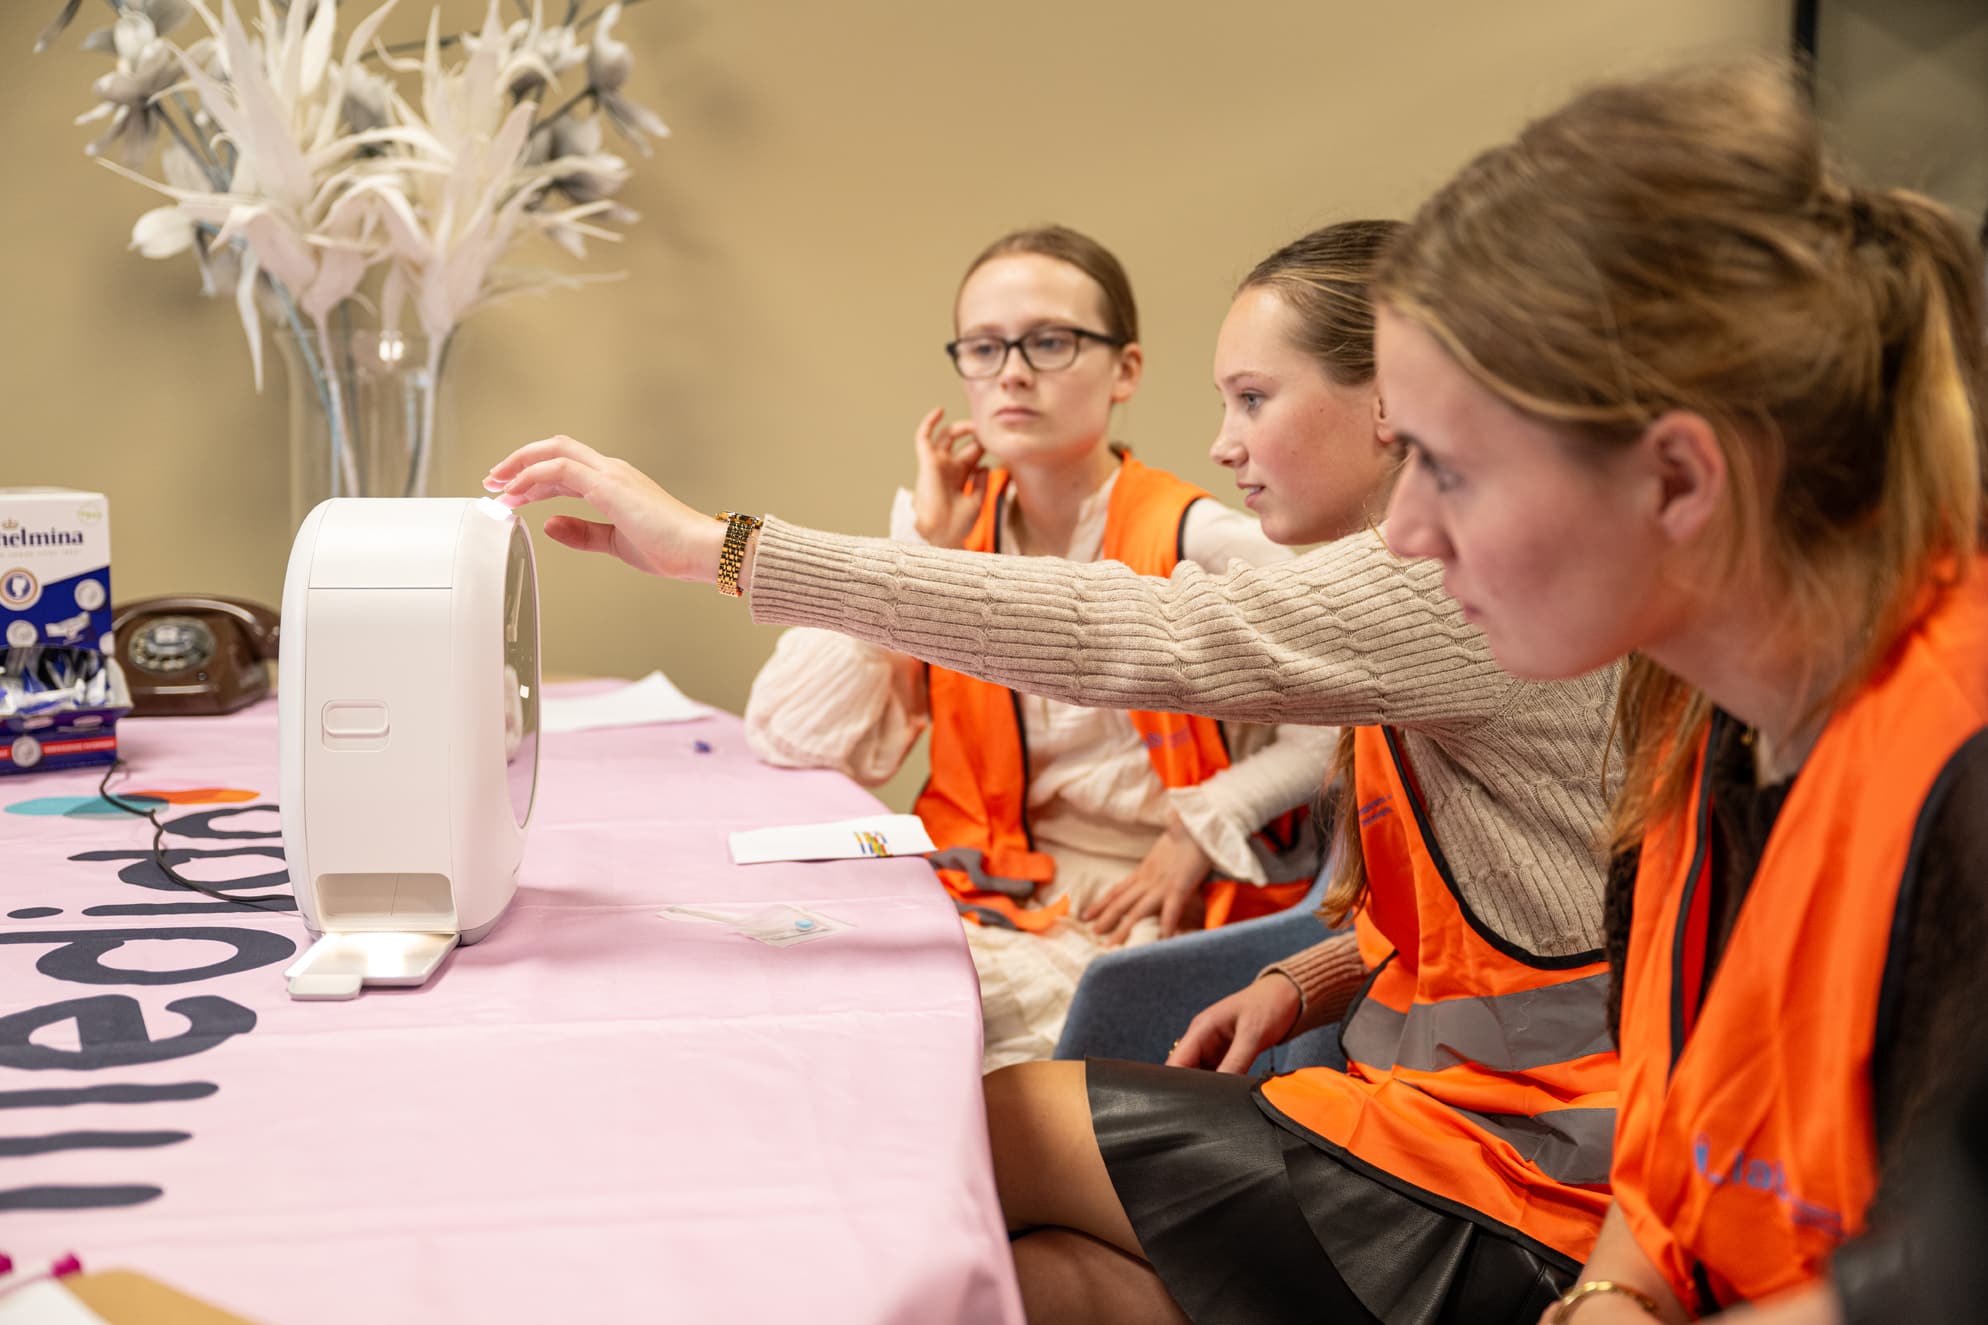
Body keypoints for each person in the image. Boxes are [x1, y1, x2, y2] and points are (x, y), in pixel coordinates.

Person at [485, 229, 1626, 1318]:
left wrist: (725, 547)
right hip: (1432, 1116)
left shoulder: (1452, 580)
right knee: (1037, 1283)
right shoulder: (1416, 578)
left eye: (1253, 398)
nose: (1225, 444)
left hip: (1512, 1178)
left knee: (972, 1126)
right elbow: (1477, 926)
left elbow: (1146, 630)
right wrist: (1306, 976)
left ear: (1391, 399)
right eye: (982, 349)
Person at [1355, 62, 1984, 1325]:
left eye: (1447, 466)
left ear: (1678, 479)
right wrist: (1610, 1292)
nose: (1403, 532)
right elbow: (1678, 1138)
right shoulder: (1702, 721)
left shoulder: (1962, 782)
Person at [741, 225, 1335, 1069]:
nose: (1012, 372)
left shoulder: (1199, 539)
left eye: (1049, 342)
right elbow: (789, 734)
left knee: (894, 1047)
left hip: (1132, 913)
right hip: (966, 890)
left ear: (1125, 370)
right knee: (773, 994)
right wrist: (919, 550)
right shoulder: (952, 528)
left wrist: (1202, 826)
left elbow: (1344, 724)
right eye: (985, 347)